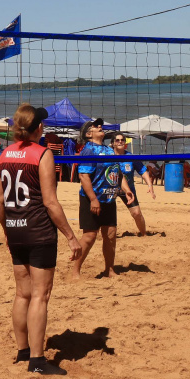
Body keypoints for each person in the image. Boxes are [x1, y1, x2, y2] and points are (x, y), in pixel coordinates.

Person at [0, 104, 82, 375]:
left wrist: (8, 229)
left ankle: (22, 351)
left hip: (15, 229)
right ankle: (37, 360)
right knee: (40, 296)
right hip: (39, 231)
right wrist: (70, 236)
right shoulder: (42, 154)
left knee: (22, 293)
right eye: (42, 123)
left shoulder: (4, 155)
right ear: (38, 128)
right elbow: (50, 202)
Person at [72, 118, 135, 279]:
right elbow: (83, 176)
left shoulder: (108, 150)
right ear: (88, 134)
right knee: (90, 236)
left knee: (111, 235)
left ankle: (110, 270)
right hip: (91, 199)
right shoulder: (88, 150)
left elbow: (117, 173)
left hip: (109, 199)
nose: (100, 127)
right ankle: (75, 272)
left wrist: (126, 190)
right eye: (96, 126)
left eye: (100, 125)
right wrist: (93, 199)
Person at [111, 132, 154, 235]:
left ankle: (144, 234)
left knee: (137, 213)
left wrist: (150, 185)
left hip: (128, 189)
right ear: (113, 143)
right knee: (107, 214)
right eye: (117, 140)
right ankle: (105, 234)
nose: (120, 141)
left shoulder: (130, 157)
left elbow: (142, 171)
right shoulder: (108, 157)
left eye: (122, 140)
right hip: (111, 189)